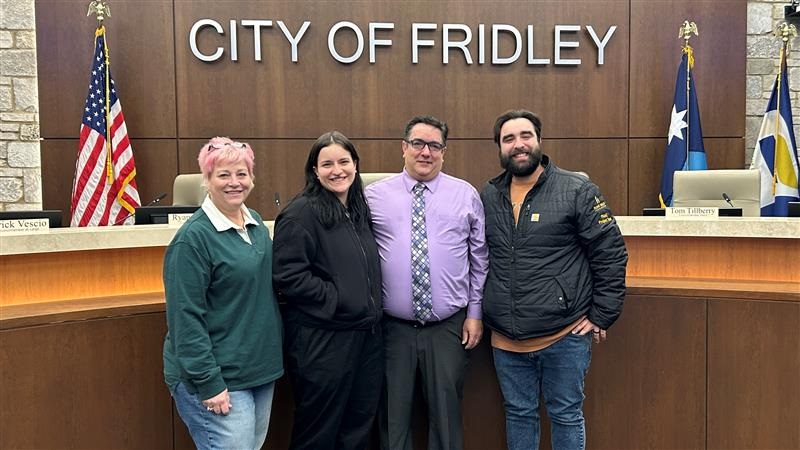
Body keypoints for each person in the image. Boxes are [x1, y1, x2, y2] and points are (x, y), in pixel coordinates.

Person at [480, 109, 628, 450]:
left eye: (525, 136)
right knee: (518, 414)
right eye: (509, 139)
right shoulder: (488, 195)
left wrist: (602, 314)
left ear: (539, 141)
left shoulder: (577, 189)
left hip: (563, 335)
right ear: (500, 148)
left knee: (565, 414)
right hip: (505, 339)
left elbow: (610, 253)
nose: (518, 145)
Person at [365, 115, 489, 450]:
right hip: (393, 327)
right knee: (393, 417)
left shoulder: (465, 195)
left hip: (448, 327)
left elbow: (479, 260)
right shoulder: (373, 196)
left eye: (434, 145)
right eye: (418, 143)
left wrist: (474, 313)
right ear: (403, 148)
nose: (426, 152)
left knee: (446, 416)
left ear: (444, 152)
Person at [162, 137, 284, 450]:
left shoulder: (255, 221)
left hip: (257, 371)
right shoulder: (192, 240)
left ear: (252, 178)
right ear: (207, 180)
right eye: (224, 175)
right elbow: (185, 319)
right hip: (217, 379)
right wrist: (208, 383)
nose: (234, 183)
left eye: (242, 174)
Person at [272, 131, 383, 450]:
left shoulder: (359, 210)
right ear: (315, 170)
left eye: (344, 162)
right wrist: (338, 299)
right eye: (327, 164)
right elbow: (288, 276)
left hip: (366, 338)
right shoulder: (300, 213)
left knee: (359, 427)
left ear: (356, 165)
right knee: (319, 431)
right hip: (323, 341)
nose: (337, 170)